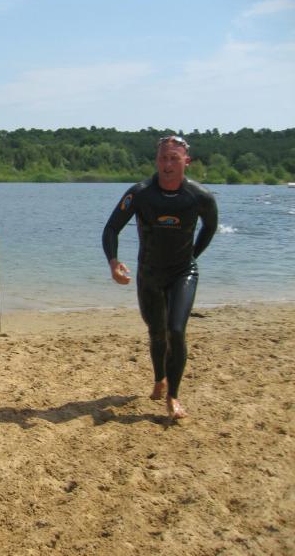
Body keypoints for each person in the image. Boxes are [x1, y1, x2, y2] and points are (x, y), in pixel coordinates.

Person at [102, 135, 218, 420]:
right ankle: (159, 379)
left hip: (183, 272)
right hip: (149, 273)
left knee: (175, 330)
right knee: (156, 331)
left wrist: (193, 255)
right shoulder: (140, 193)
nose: (167, 165)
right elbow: (111, 229)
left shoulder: (200, 196)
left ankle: (173, 396)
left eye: (174, 159)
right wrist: (113, 262)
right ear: (156, 161)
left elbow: (210, 228)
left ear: (186, 161)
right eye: (163, 158)